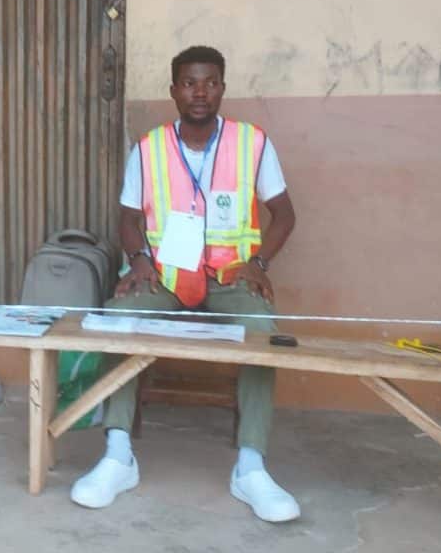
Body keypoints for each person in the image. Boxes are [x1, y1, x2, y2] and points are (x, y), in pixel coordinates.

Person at [70, 46, 299, 523]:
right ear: (174, 89)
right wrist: (137, 261)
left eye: (211, 82)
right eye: (190, 83)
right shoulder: (149, 147)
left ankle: (251, 465)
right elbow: (129, 218)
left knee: (261, 329)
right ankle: (118, 455)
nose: (200, 92)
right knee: (119, 316)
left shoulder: (252, 143)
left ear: (222, 87)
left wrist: (258, 263)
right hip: (167, 275)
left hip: (230, 276)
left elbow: (285, 214)